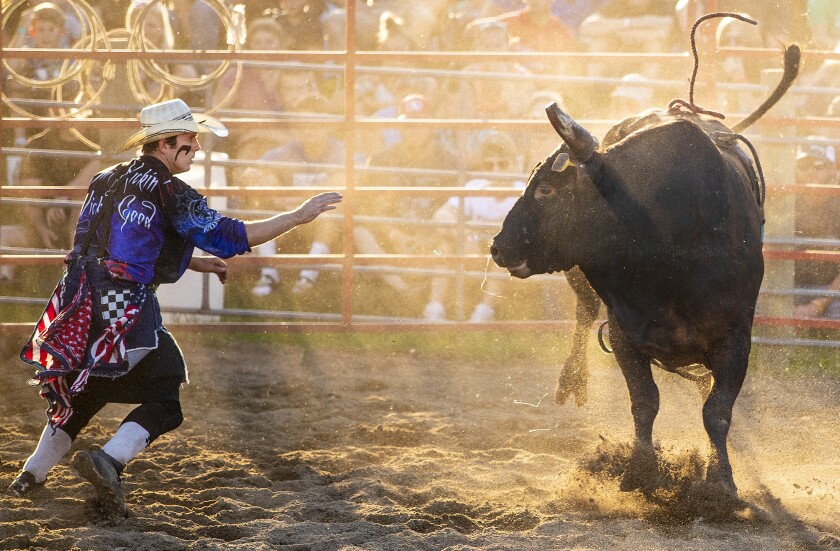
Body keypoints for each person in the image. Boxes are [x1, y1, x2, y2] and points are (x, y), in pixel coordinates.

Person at [6, 98, 342, 523]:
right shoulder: (170, 190)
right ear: (164, 143)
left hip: (75, 304)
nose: (196, 147)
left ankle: (30, 476)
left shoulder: (106, 179)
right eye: (189, 139)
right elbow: (229, 236)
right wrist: (298, 216)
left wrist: (193, 261)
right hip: (122, 309)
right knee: (166, 393)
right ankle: (108, 460)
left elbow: (120, 240)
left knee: (85, 391)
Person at [424, 130, 525, 322]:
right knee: (444, 245)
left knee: (504, 252)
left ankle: (483, 313)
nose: (496, 171)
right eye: (489, 165)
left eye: (502, 164)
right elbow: (442, 215)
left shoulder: (525, 193)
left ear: (514, 164)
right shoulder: (475, 186)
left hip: (508, 255)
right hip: (474, 248)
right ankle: (434, 310)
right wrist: (464, 236)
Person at [792, 138, 840, 318]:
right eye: (804, 165)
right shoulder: (786, 202)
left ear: (831, 169)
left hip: (832, 291)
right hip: (789, 286)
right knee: (752, 306)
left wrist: (817, 305)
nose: (811, 171)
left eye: (819, 165)